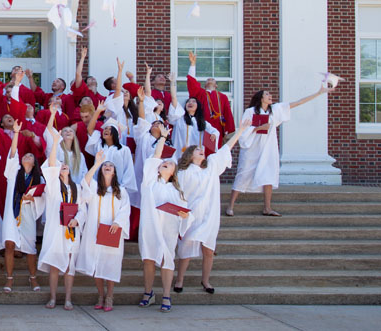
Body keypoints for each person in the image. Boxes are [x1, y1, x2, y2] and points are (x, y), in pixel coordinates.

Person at [173, 116, 250, 295]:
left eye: (202, 150)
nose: (202, 152)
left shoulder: (212, 166)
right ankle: (179, 279)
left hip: (210, 213)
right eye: (198, 150)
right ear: (190, 155)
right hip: (191, 214)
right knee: (185, 248)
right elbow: (179, 193)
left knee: (208, 249)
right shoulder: (183, 172)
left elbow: (226, 149)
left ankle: (206, 280)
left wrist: (240, 131)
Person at [228, 85, 332, 217]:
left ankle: (267, 208)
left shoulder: (275, 110)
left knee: (268, 175)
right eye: (266, 94)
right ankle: (230, 206)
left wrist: (318, 93)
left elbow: (298, 102)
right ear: (260, 98)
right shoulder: (250, 112)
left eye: (270, 94)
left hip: (268, 148)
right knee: (243, 174)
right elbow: (243, 131)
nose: (270, 95)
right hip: (252, 148)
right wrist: (257, 127)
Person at [38, 115, 85, 310]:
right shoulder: (52, 186)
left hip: (71, 229)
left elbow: (82, 207)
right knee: (55, 265)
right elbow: (50, 164)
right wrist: (56, 142)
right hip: (56, 230)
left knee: (69, 265)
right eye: (60, 166)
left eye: (65, 166)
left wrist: (78, 220)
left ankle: (67, 298)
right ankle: (53, 297)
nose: (63, 167)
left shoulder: (76, 188)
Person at [138, 138, 191, 312]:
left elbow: (186, 212)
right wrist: (162, 138)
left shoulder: (177, 190)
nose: (165, 163)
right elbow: (155, 156)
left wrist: (185, 215)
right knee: (148, 259)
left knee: (167, 260)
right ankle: (148, 292)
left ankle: (166, 295)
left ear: (174, 170)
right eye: (163, 163)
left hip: (169, 228)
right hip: (150, 226)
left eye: (169, 163)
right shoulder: (150, 183)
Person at [76, 150, 130, 313]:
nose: (107, 166)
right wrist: (97, 163)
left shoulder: (121, 190)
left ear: (114, 172)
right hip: (94, 230)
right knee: (96, 265)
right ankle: (100, 295)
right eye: (105, 165)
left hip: (112, 232)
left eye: (110, 165)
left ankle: (110, 296)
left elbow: (125, 209)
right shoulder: (94, 187)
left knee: (110, 265)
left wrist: (117, 222)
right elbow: (84, 182)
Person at [1, 119, 44, 294]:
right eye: (25, 155)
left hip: (27, 214)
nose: (27, 157)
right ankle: (9, 279)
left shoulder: (38, 179)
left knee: (30, 248)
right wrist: (16, 133)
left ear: (34, 163)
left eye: (30, 156)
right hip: (12, 213)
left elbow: (43, 198)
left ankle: (32, 277)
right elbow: (12, 154)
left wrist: (33, 199)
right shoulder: (13, 173)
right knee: (10, 245)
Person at [185, 53, 237, 143]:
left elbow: (227, 113)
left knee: (215, 149)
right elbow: (192, 83)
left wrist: (229, 130)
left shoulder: (222, 96)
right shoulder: (200, 93)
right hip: (202, 124)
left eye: (212, 79)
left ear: (216, 85)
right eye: (208, 79)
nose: (210, 80)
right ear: (205, 85)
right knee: (201, 147)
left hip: (218, 125)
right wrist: (193, 64)